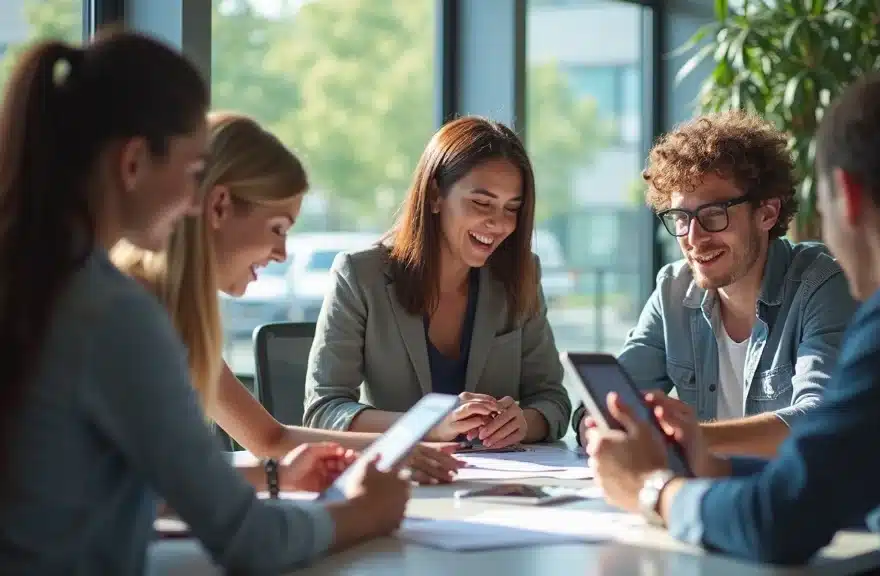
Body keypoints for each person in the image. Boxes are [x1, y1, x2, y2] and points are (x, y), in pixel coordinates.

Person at [0, 31, 409, 575]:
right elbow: (248, 542)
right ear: (135, 162)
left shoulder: (41, 282)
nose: (195, 202)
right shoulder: (112, 314)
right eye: (194, 173)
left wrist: (273, 479)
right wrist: (363, 512)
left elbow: (101, 490)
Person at [585, 70, 880, 574]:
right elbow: (852, 479)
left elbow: (779, 523)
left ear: (847, 195)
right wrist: (718, 467)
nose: (692, 236)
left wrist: (653, 489)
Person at [110, 112, 462, 484]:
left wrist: (390, 450)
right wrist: (351, 509)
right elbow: (149, 487)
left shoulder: (171, 311)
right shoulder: (135, 313)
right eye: (277, 228)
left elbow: (266, 439)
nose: (281, 253)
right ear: (219, 207)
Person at [573, 110, 857, 457]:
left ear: (767, 213)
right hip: (707, 489)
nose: (693, 238)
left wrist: (691, 439)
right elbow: (608, 403)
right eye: (681, 218)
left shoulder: (822, 284)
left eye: (713, 216)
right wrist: (596, 425)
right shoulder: (673, 290)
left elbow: (821, 421)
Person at [304, 116, 571, 449]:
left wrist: (524, 422)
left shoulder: (521, 276)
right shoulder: (360, 275)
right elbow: (325, 410)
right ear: (434, 195)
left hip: (499, 483)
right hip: (403, 481)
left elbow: (553, 401)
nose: (499, 223)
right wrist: (428, 424)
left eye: (511, 208)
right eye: (481, 203)